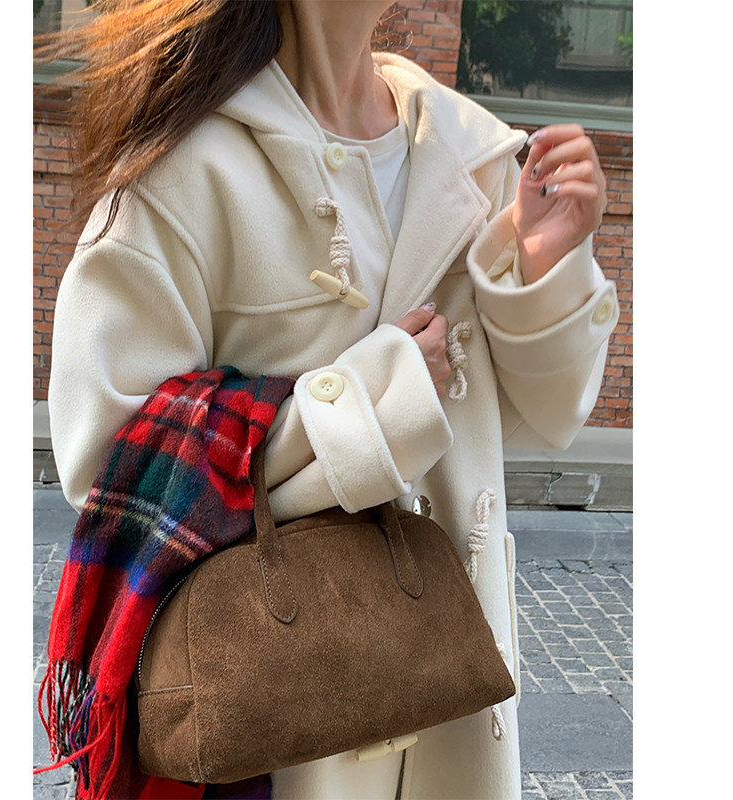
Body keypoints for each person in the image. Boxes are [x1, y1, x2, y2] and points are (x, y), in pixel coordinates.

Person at [45, 1, 619, 798]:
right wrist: (364, 406)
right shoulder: (183, 170)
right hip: (287, 725)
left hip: (454, 704)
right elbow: (109, 462)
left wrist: (540, 267)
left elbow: (542, 420)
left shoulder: (471, 154)